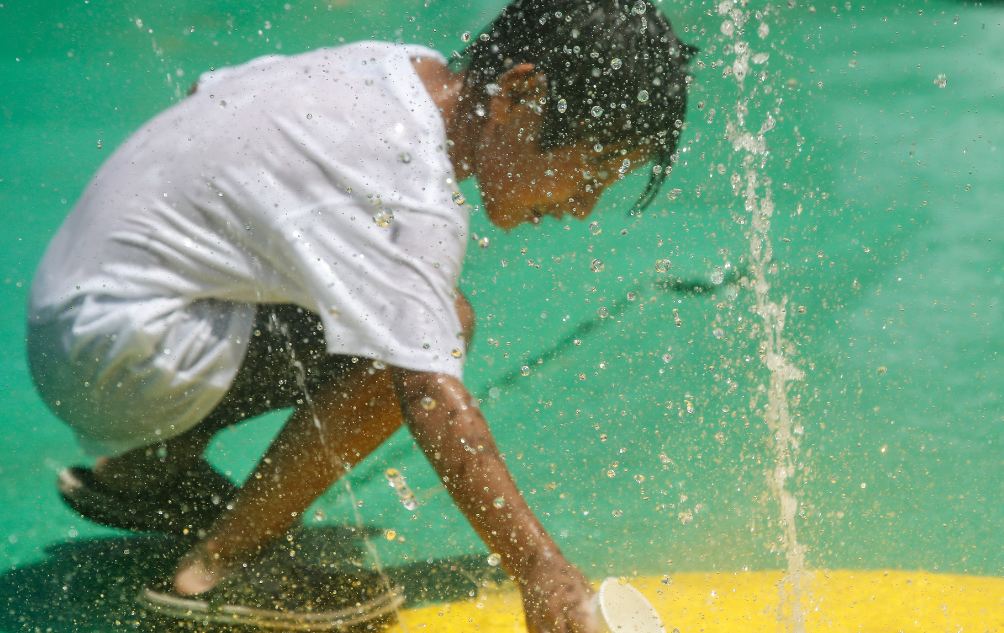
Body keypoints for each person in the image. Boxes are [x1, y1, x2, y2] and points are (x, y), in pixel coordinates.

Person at [26, 0, 693, 630]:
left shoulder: (394, 68)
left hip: (78, 309)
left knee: (360, 291)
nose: (583, 205)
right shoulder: (408, 182)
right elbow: (428, 393)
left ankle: (150, 467)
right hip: (110, 351)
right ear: (519, 94)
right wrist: (545, 574)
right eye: (594, 169)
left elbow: (212, 94)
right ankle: (216, 571)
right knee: (426, 332)